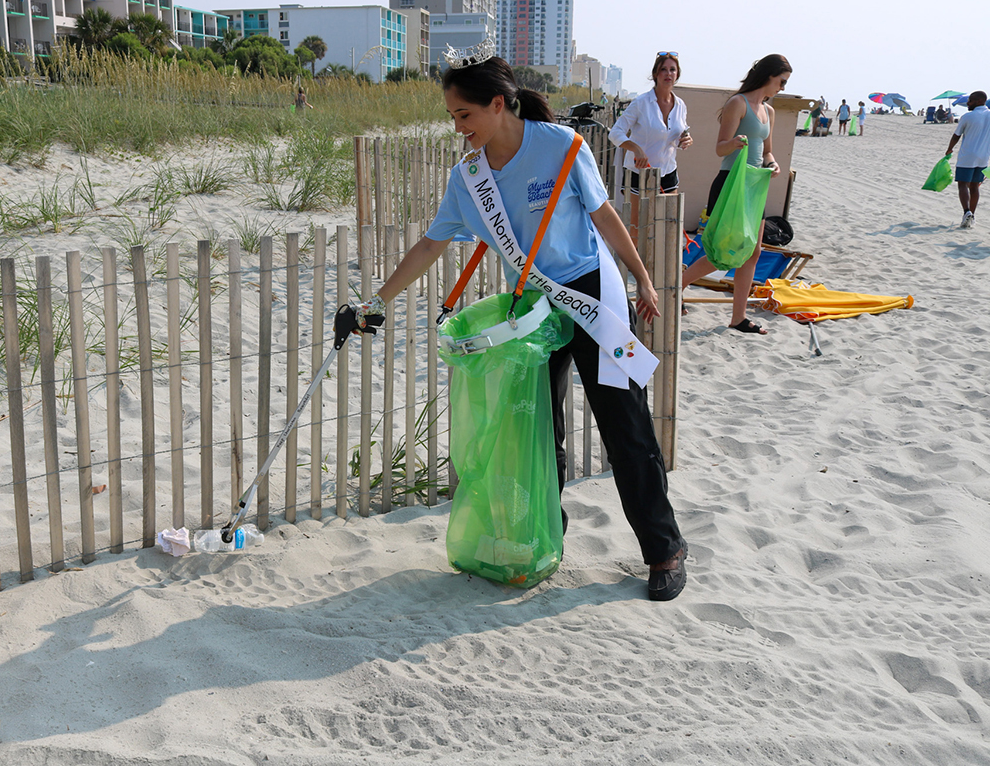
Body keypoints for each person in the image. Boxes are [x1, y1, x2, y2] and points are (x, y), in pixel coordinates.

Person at [336, 52, 688, 601]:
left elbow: (603, 216)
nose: (458, 128)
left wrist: (642, 278)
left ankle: (664, 549)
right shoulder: (467, 177)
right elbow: (432, 242)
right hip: (533, 310)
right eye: (453, 117)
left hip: (593, 294)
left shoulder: (561, 147)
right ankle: (547, 535)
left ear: (498, 104)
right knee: (539, 431)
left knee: (626, 428)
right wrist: (376, 300)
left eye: (464, 114)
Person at [680, 53, 793, 335]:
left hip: (754, 185)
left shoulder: (770, 111)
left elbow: (766, 150)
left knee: (752, 252)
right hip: (731, 181)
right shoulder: (737, 103)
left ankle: (738, 318)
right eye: (782, 81)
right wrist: (735, 143)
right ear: (769, 76)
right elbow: (720, 148)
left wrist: (772, 163)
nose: (783, 87)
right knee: (723, 251)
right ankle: (679, 284)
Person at [608, 52, 693, 246]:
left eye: (672, 69)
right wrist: (635, 148)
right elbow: (615, 133)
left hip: (668, 171)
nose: (668, 74)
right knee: (637, 228)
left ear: (677, 74)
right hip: (640, 172)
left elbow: (681, 132)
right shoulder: (641, 103)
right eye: (663, 69)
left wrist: (686, 140)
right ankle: (632, 272)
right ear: (655, 74)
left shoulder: (681, 105)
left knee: (669, 224)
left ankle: (660, 271)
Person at [944, 90, 990, 229]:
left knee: (963, 184)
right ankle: (971, 216)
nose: (968, 103)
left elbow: (956, 135)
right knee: (975, 186)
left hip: (967, 156)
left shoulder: (967, 116)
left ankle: (966, 212)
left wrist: (949, 148)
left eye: (970, 100)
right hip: (983, 157)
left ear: (978, 101)